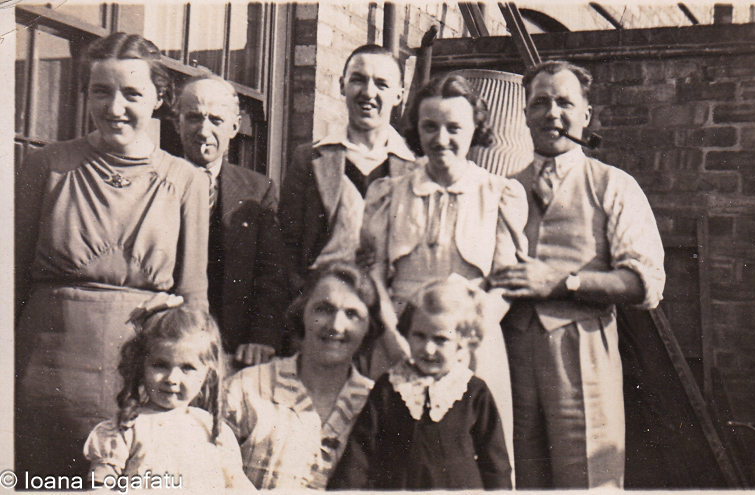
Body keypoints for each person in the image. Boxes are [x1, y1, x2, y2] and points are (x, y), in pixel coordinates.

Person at [14, 33, 208, 478]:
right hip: (42, 376)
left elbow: (194, 298)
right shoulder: (47, 166)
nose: (114, 107)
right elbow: (9, 283)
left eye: (132, 93)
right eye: (101, 90)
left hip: (136, 384)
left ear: (160, 98)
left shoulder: (185, 180)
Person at [490, 60, 666, 488]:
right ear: (525, 115)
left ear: (586, 114)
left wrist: (564, 282)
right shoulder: (501, 187)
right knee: (515, 478)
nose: (552, 113)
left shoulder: (613, 185)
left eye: (565, 103)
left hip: (583, 354)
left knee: (589, 480)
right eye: (540, 103)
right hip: (510, 356)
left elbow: (645, 283)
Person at [359, 73, 528, 465]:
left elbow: (505, 284)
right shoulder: (388, 193)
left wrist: (466, 338)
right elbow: (373, 275)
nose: (441, 139)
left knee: (465, 459)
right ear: (417, 130)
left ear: (475, 130)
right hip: (397, 340)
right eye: (429, 126)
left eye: (454, 128)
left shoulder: (498, 193)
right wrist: (390, 336)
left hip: (471, 344)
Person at [328, 275, 512, 490]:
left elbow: (496, 466)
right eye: (419, 336)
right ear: (407, 333)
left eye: (441, 339)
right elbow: (359, 454)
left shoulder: (474, 392)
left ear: (464, 341)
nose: (428, 349)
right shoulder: (389, 386)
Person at [222, 260, 386, 490]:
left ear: (369, 327)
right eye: (324, 309)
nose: (336, 326)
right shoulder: (247, 388)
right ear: (302, 313)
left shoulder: (376, 405)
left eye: (352, 314)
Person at [278, 44, 416, 307]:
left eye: (382, 84)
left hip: (390, 315)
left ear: (399, 95)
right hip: (322, 309)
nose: (368, 93)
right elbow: (287, 249)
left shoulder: (415, 169)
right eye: (358, 80)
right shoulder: (308, 159)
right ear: (342, 86)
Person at [175, 71, 289, 364]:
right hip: (170, 341)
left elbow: (271, 273)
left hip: (233, 348)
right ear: (177, 122)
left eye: (216, 120)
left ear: (235, 127)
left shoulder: (258, 190)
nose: (203, 130)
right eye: (193, 117)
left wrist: (261, 338)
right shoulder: (156, 179)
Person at [83, 305, 254, 490]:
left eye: (187, 368)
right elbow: (100, 488)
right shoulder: (127, 427)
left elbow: (238, 486)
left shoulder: (214, 431)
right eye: (160, 365)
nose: (172, 379)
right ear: (141, 366)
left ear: (208, 375)